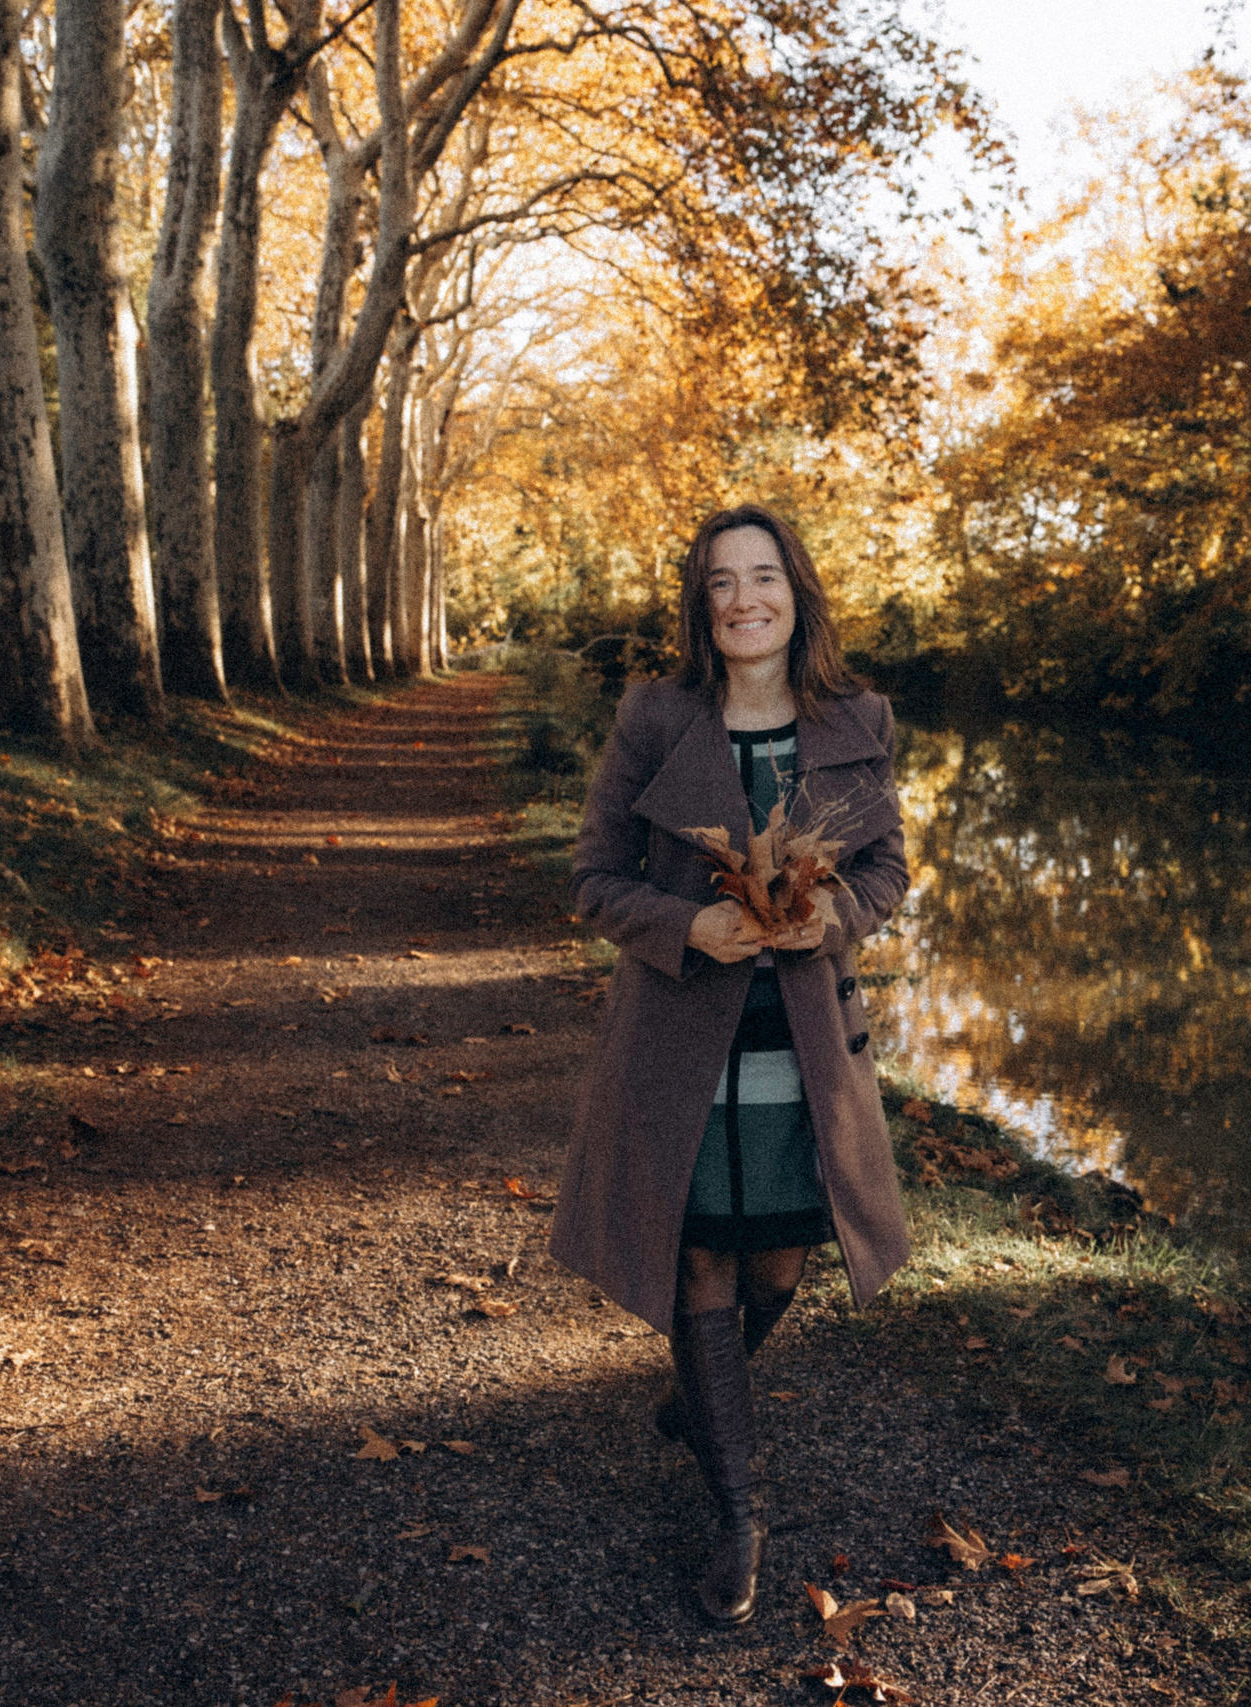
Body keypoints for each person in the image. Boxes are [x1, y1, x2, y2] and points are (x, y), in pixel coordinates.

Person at [549, 504, 912, 1625]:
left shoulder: (858, 718)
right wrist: (685, 927)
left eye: (763, 577)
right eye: (721, 582)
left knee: (779, 1267)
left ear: (796, 593)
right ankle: (738, 1515)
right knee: (702, 1255)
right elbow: (594, 877)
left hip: (805, 1049)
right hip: (679, 1048)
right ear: (700, 606)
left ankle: (697, 1399)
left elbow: (890, 869)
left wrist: (836, 917)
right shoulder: (656, 717)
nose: (745, 598)